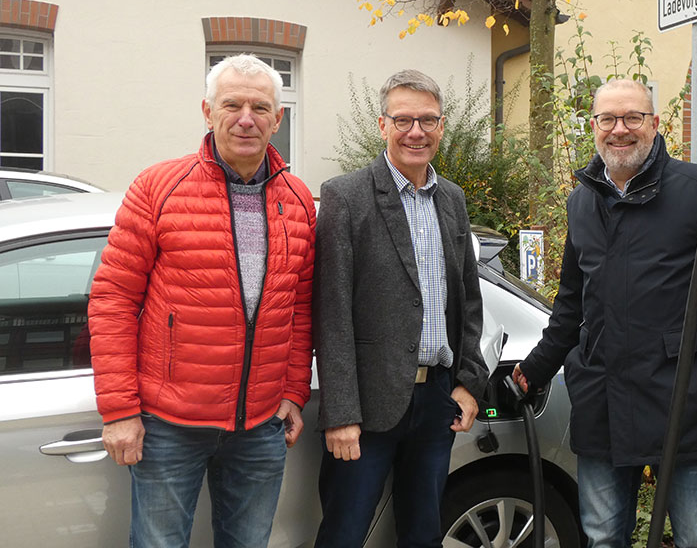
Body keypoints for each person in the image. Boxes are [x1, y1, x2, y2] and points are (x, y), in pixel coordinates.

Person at [512, 79, 697, 548]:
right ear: (594, 127)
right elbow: (570, 305)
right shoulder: (581, 201)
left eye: (632, 118)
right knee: (603, 536)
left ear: (654, 124)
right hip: (602, 398)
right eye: (608, 119)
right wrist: (534, 369)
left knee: (695, 538)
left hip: (679, 395)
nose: (619, 130)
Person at [88, 54, 316, 548]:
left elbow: (300, 308)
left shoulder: (297, 199)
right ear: (207, 111)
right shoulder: (159, 186)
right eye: (231, 104)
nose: (246, 118)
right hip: (170, 424)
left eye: (260, 107)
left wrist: (294, 390)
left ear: (278, 119)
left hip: (259, 427)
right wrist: (120, 409)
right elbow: (113, 299)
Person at [313, 69, 489, 547]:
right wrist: (341, 413)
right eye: (404, 120)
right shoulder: (345, 196)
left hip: (436, 402)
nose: (416, 131)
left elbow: (469, 302)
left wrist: (470, 383)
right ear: (382, 125)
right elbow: (331, 314)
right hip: (367, 409)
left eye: (428, 120)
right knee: (344, 534)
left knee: (422, 535)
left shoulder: (451, 199)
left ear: (442, 126)